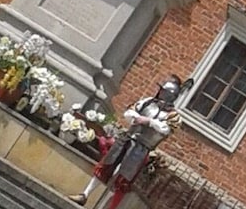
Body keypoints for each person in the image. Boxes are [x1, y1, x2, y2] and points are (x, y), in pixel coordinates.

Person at [68, 76, 190, 207]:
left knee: (121, 178)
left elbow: (166, 129)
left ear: (169, 95)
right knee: (106, 166)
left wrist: (149, 121)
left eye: (163, 91)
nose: (160, 92)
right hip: (127, 139)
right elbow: (129, 111)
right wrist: (137, 117)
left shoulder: (173, 116)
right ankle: (84, 195)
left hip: (141, 148)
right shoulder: (148, 102)